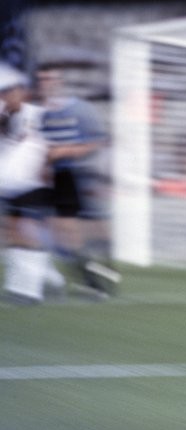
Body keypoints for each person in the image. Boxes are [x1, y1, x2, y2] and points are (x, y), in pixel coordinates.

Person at [37, 64, 119, 298]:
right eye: (42, 79)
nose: (46, 83)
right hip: (53, 177)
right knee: (63, 232)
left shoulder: (81, 110)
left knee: (95, 231)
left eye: (51, 79)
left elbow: (97, 142)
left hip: (80, 174)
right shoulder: (38, 112)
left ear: (60, 81)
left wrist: (66, 151)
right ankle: (90, 282)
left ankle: (105, 276)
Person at [0, 63, 64, 304]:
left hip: (32, 184)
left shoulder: (36, 115)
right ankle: (36, 280)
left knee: (27, 232)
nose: (7, 96)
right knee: (13, 233)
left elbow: (51, 146)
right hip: (8, 184)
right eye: (5, 93)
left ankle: (30, 290)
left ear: (22, 92)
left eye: (12, 91)